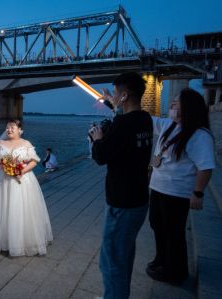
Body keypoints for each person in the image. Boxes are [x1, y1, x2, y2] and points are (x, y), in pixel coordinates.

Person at [89, 72, 153, 299]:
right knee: (124, 257)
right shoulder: (145, 119)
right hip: (138, 200)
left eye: (116, 93)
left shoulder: (123, 124)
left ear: (125, 95)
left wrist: (97, 139)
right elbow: (124, 124)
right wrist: (112, 103)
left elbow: (101, 157)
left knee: (111, 263)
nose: (113, 97)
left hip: (121, 203)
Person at [146, 88, 215, 284]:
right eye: (173, 102)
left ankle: (176, 272)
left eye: (177, 103)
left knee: (173, 232)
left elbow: (206, 167)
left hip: (176, 192)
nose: (171, 105)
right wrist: (116, 104)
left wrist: (198, 193)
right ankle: (161, 259)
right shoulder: (170, 125)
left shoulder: (200, 135)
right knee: (156, 224)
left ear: (190, 108)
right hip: (158, 188)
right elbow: (146, 119)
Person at [0, 119, 53, 256]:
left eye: (12, 127)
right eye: (7, 127)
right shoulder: (0, 144)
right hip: (1, 181)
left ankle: (18, 243)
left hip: (21, 181)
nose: (9, 130)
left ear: (20, 130)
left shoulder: (26, 144)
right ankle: (0, 241)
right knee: (0, 208)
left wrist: (21, 171)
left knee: (18, 210)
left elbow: (34, 161)